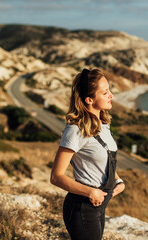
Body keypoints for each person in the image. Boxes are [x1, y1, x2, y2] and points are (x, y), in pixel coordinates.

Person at [50, 68, 125, 240]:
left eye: (109, 90)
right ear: (89, 100)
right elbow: (56, 176)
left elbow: (101, 161)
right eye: (105, 92)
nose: (111, 95)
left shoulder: (103, 124)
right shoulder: (75, 130)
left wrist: (117, 179)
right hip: (82, 207)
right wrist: (91, 192)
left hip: (99, 206)